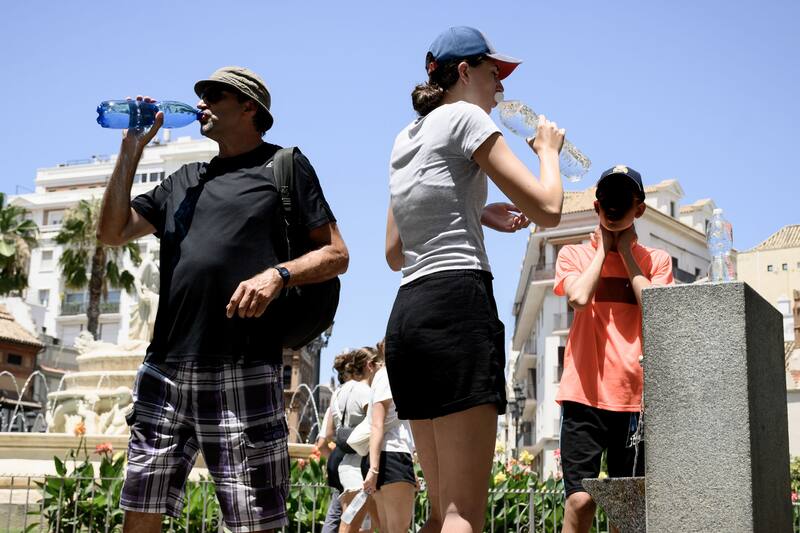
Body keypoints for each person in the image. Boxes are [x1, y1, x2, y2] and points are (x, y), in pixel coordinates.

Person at [97, 66, 349, 533]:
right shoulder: (182, 180)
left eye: (213, 94)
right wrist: (131, 149)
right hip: (165, 369)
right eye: (200, 94)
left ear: (249, 106)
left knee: (255, 523)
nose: (201, 103)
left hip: (243, 366)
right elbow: (112, 231)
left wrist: (278, 275)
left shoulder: (284, 166)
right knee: (140, 515)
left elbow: (336, 254)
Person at [384, 26, 565, 533]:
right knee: (465, 515)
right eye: (493, 74)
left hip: (409, 317)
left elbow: (394, 252)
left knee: (439, 511)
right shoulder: (464, 118)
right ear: (463, 73)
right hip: (458, 307)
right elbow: (549, 208)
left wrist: (475, 211)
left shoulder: (405, 138)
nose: (501, 89)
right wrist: (547, 150)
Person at [553, 165, 674, 533]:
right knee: (580, 499)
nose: (614, 207)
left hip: (634, 400)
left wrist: (627, 253)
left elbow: (657, 309)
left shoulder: (657, 261)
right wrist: (604, 252)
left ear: (639, 208)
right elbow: (578, 296)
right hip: (583, 395)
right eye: (608, 199)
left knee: (627, 509)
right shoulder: (572, 255)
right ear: (596, 205)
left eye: (624, 200)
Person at [361, 341, 416, 533]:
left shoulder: (381, 376)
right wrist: (374, 469)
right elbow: (377, 424)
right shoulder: (389, 377)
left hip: (384, 458)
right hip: (393, 457)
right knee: (398, 529)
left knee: (387, 529)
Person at [331, 347, 381, 532]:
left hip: (343, 460)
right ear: (369, 366)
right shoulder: (365, 391)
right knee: (352, 523)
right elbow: (375, 423)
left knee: (371, 523)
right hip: (359, 464)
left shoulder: (338, 392)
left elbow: (329, 430)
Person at [318, 352, 354, 533]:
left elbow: (323, 442)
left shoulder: (336, 395)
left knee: (335, 514)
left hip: (336, 460)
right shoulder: (357, 395)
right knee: (352, 517)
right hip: (353, 462)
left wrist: (334, 459)